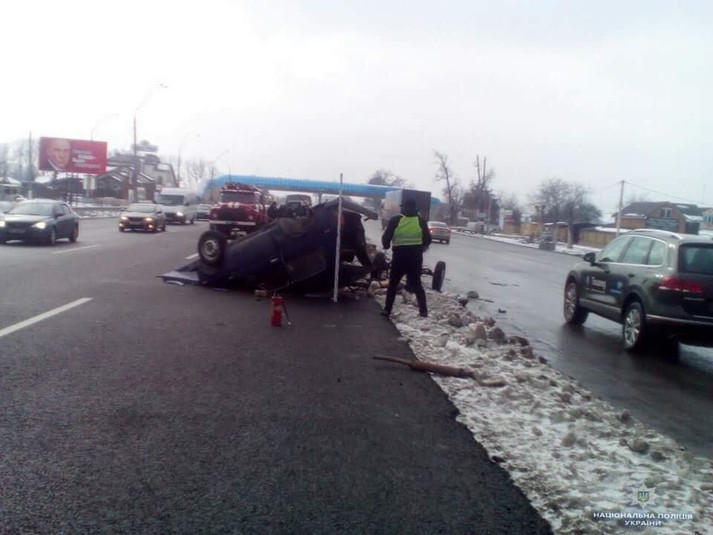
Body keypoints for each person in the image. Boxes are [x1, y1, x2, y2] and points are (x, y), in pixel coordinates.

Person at [380, 198, 431, 318]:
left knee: (393, 284)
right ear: (415, 208)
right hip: (415, 258)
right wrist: (420, 247)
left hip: (399, 257)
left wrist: (386, 246)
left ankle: (387, 310)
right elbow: (428, 239)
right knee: (417, 284)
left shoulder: (395, 220)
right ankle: (423, 311)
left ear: (403, 208)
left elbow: (386, 238)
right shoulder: (421, 221)